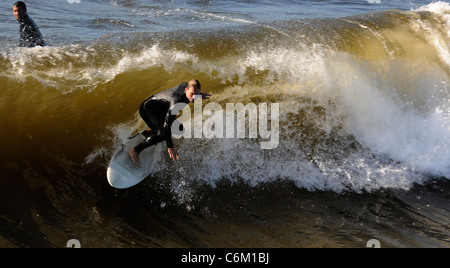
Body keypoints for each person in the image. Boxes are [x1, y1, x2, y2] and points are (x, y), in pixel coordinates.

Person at [128, 79, 212, 167]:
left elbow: (193, 92)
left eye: (197, 94)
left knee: (179, 129)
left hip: (161, 109)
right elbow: (167, 125)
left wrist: (200, 95)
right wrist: (170, 147)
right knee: (163, 134)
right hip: (148, 109)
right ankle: (135, 151)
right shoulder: (176, 102)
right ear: (186, 90)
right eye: (192, 94)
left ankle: (153, 130)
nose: (194, 97)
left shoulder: (187, 87)